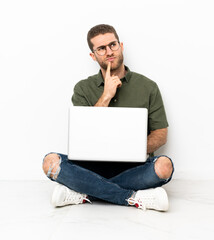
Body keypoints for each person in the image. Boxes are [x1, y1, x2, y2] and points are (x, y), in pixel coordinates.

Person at [42, 24, 174, 211]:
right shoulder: (82, 88)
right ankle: (132, 198)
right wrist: (106, 95)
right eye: (101, 48)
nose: (109, 51)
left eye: (112, 45)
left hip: (133, 168)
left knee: (164, 166)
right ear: (93, 55)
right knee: (50, 162)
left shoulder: (148, 86)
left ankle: (84, 191)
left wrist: (131, 150)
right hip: (91, 167)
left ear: (120, 45)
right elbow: (83, 135)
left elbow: (161, 134)